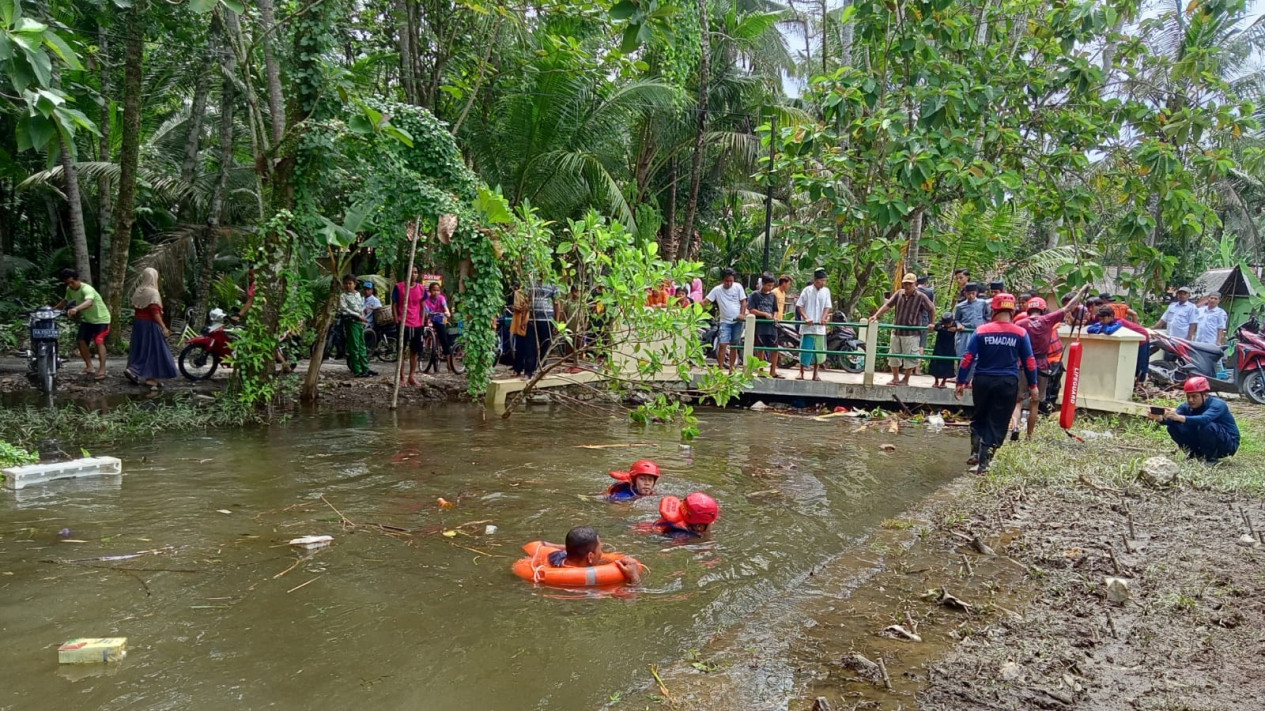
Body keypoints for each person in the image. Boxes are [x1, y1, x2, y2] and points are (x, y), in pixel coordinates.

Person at [955, 293, 1038, 473]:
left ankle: (976, 453)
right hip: (1007, 382)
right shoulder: (1020, 333)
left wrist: (961, 381)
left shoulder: (981, 331)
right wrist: (1033, 385)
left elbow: (968, 358)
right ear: (1013, 310)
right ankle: (984, 464)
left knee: (980, 416)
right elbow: (1029, 361)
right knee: (998, 420)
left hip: (982, 380)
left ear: (993, 309)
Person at [1010, 285, 1091, 437]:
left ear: (1028, 309)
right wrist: (1082, 291)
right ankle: (1029, 436)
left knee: (1017, 401)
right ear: (1043, 309)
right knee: (1035, 402)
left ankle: (1015, 427)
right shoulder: (1048, 320)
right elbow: (1069, 307)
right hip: (1041, 365)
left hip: (1022, 365)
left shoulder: (1020, 324)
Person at [1148, 376, 1239, 462]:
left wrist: (1179, 417)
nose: (1190, 400)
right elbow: (1173, 419)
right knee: (1173, 426)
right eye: (1188, 396)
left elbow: (1204, 419)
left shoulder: (1218, 405)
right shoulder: (1186, 406)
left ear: (1205, 395)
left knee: (1207, 426)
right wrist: (1161, 419)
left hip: (1228, 444)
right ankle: (1193, 454)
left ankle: (1211, 458)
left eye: (1194, 396)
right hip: (1203, 438)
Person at [870, 273, 935, 385]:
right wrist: (876, 315)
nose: (907, 286)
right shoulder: (899, 294)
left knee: (910, 357)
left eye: (909, 284)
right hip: (897, 330)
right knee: (893, 355)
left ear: (915, 284)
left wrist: (932, 323)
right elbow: (888, 305)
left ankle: (906, 379)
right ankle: (895, 378)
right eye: (905, 283)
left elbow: (931, 308)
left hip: (911, 332)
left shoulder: (920, 296)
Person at [123, 267, 178, 388]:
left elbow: (136, 307)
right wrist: (163, 327)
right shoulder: (153, 292)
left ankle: (150, 378)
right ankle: (134, 370)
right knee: (155, 350)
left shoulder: (138, 290)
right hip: (150, 325)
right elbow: (155, 312)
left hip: (138, 324)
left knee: (142, 348)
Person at [54, 268, 111, 381]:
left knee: (99, 342)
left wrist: (76, 309)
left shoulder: (87, 289)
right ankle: (89, 367)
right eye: (68, 283)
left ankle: (102, 369)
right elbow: (65, 301)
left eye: (72, 282)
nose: (71, 285)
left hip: (101, 319)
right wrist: (52, 309)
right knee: (81, 340)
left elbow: (89, 302)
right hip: (88, 319)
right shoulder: (69, 289)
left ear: (77, 279)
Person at [545, 526, 641, 584]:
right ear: (590, 557)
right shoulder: (593, 586)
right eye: (600, 549)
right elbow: (631, 601)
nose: (602, 554)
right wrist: (634, 577)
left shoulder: (554, 558)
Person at [1088, 306, 1151, 384]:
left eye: (1103, 319)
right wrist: (1101, 328)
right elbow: (1090, 329)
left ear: (1111, 316)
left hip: (1143, 338)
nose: (1102, 322)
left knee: (1141, 363)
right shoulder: (1106, 322)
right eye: (1100, 320)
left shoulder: (1120, 322)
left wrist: (1100, 328)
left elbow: (1109, 331)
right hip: (1131, 340)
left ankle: (1141, 381)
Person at [515, 280, 561, 378]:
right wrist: (524, 319)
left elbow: (557, 303)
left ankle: (541, 370)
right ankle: (528, 372)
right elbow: (527, 301)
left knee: (545, 346)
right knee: (530, 346)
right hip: (532, 320)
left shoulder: (553, 283)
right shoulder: (531, 282)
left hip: (547, 320)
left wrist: (556, 323)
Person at [705, 268, 747, 374]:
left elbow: (743, 301)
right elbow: (706, 301)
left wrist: (741, 314)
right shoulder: (717, 290)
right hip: (725, 321)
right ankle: (720, 368)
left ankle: (731, 369)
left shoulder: (738, 287)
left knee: (734, 345)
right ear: (722, 280)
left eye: (731, 281)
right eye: (726, 281)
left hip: (737, 321)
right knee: (723, 344)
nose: (729, 283)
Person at [796, 269, 832, 381]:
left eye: (825, 281)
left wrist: (824, 317)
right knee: (805, 350)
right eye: (822, 281)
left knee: (818, 351)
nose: (823, 283)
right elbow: (799, 306)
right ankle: (801, 372)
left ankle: (816, 373)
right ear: (816, 280)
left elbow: (827, 306)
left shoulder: (826, 291)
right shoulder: (807, 290)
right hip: (808, 326)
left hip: (820, 327)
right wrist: (806, 317)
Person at [393, 265, 426, 386]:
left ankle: (412, 376)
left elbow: (423, 306)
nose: (413, 274)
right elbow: (394, 305)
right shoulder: (399, 287)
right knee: (401, 351)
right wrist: (397, 321)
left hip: (416, 325)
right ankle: (401, 377)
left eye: (416, 272)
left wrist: (422, 322)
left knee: (415, 351)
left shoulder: (422, 289)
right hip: (403, 323)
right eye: (411, 272)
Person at [338, 274, 375, 377]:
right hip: (351, 322)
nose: (348, 285)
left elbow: (360, 308)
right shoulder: (343, 296)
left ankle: (365, 368)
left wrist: (362, 317)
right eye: (346, 283)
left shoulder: (358, 294)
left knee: (362, 346)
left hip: (359, 322)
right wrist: (357, 316)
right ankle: (357, 370)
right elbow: (344, 310)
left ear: (355, 284)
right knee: (354, 346)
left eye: (350, 283)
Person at [748, 272, 783, 378]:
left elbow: (775, 309)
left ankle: (773, 371)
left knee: (774, 349)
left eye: (772, 286)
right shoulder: (755, 295)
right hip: (760, 326)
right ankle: (761, 371)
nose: (770, 288)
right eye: (768, 285)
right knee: (761, 349)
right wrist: (764, 314)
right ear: (763, 283)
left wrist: (775, 317)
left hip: (771, 326)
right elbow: (751, 309)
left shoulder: (773, 296)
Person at [423, 281, 458, 373]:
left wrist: (447, 312)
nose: (436, 292)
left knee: (444, 340)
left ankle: (448, 362)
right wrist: (426, 314)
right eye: (434, 290)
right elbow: (426, 311)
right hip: (430, 321)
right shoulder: (426, 300)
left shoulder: (442, 298)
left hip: (440, 321)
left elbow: (446, 308)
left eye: (438, 290)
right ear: (430, 291)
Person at [654, 492, 720, 540]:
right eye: (711, 522)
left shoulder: (676, 524)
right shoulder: (683, 536)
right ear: (699, 527)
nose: (713, 523)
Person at [952, 283, 989, 358]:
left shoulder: (982, 303)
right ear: (965, 293)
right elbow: (956, 320)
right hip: (965, 333)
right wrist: (959, 325)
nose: (971, 296)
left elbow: (986, 316)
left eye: (973, 293)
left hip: (979, 331)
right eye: (969, 294)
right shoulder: (960, 306)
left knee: (979, 354)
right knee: (963, 355)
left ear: (976, 293)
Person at [929, 313, 957, 388]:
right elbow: (935, 326)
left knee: (948, 364)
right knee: (936, 363)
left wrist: (955, 329)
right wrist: (945, 329)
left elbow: (961, 327)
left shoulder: (955, 325)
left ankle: (944, 382)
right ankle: (936, 381)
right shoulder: (940, 325)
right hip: (939, 347)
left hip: (949, 348)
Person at [915, 276, 936, 360]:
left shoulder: (914, 290)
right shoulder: (929, 292)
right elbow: (931, 307)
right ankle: (917, 369)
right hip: (924, 319)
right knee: (921, 344)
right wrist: (932, 322)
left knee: (912, 342)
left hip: (913, 320)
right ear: (925, 283)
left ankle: (908, 368)